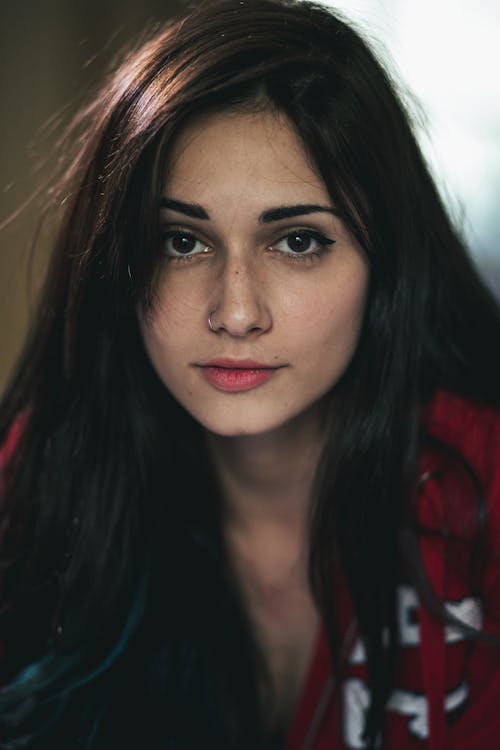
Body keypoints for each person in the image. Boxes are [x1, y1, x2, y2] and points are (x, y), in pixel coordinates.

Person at [1, 0, 500, 747]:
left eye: (297, 241)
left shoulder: (487, 488)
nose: (236, 313)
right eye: (181, 241)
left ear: (385, 263)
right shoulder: (38, 483)